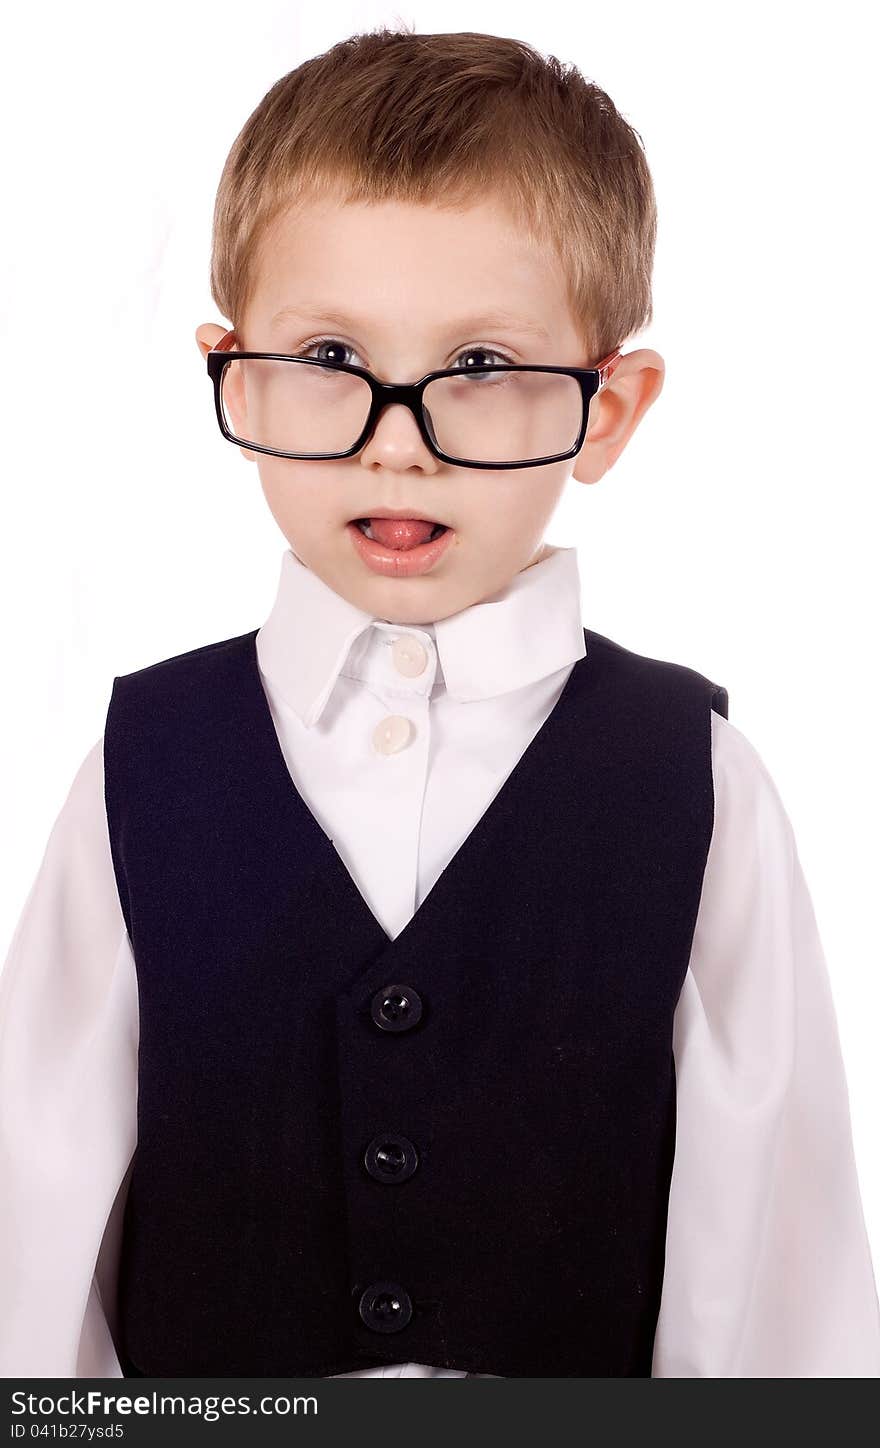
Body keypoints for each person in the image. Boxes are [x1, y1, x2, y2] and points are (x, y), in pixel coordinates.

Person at [1, 26, 879, 1379]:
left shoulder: (697, 783)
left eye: (478, 368)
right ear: (231, 373)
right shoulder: (141, 770)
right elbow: (33, 1234)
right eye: (331, 355)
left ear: (608, 409)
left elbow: (771, 1264)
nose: (397, 438)